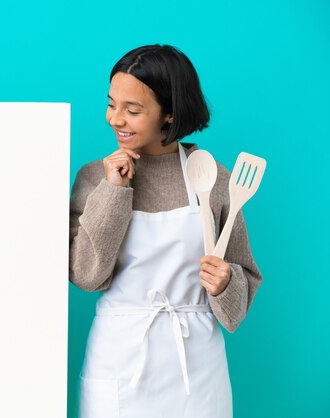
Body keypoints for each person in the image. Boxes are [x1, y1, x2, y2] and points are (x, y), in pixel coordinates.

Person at [69, 44, 262, 418]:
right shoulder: (95, 178)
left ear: (170, 114)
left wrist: (225, 284)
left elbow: (238, 301)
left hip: (195, 367)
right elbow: (86, 275)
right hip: (121, 358)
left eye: (133, 110)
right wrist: (114, 192)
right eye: (112, 104)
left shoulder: (214, 178)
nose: (115, 119)